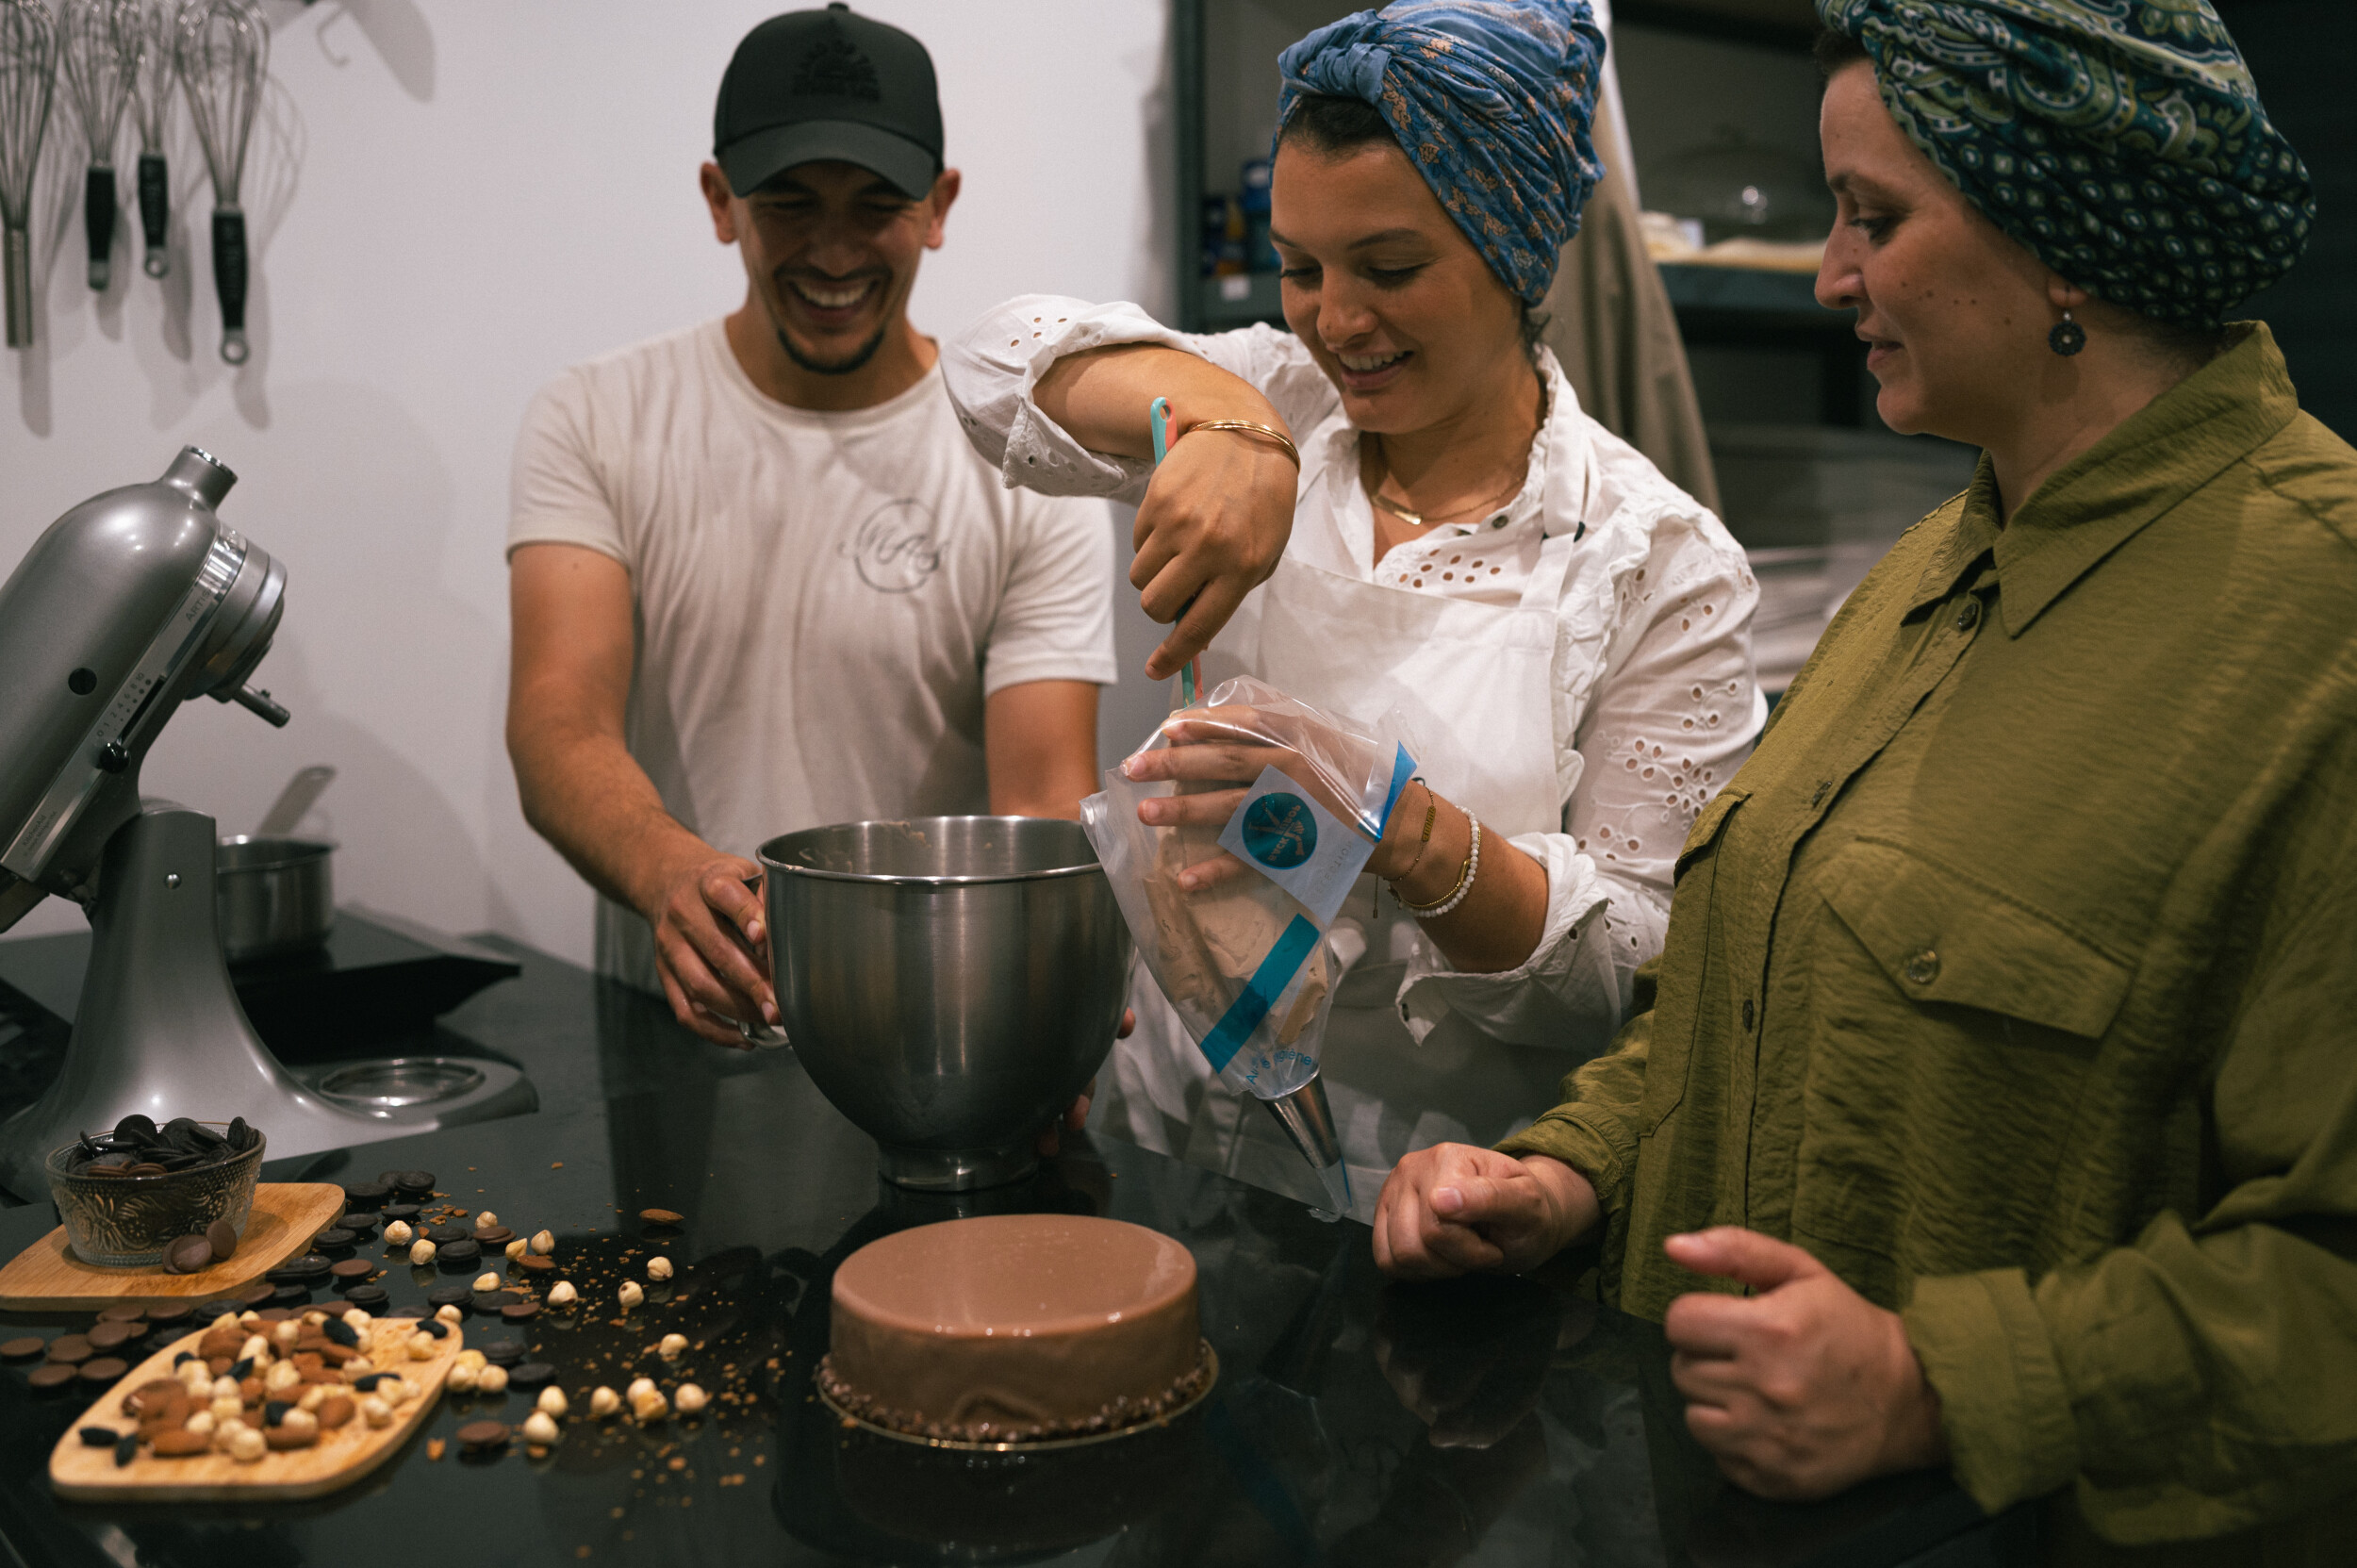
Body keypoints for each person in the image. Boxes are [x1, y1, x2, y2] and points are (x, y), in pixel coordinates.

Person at [1375, 2, 2355, 1559]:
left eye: (1876, 219)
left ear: (2064, 243)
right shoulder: (1931, 565)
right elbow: (1737, 1000)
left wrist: (1937, 1381)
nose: (1833, 275)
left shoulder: (2321, 630)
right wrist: (1569, 1175)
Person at [944, 0, 1763, 1220]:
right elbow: (990, 367)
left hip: (1453, 1197)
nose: (1334, 320)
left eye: (1389, 268)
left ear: (1515, 252)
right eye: (1301, 267)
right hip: (1184, 1147)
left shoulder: (1656, 559)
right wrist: (1237, 427)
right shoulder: (1283, 391)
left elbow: (1646, 962)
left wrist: (1403, 831)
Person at [504, 6, 1117, 1046]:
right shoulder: (598, 414)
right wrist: (673, 873)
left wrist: (1059, 977)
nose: (833, 250)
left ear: (938, 206)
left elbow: (1046, 797)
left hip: (940, 1025)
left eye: (877, 204)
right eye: (788, 203)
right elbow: (558, 720)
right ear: (719, 201)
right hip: (678, 1024)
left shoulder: (1023, 459)